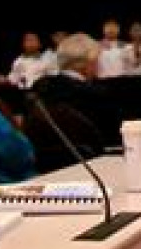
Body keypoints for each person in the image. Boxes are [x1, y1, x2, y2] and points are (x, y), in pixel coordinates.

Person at [28, 33, 113, 173]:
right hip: (94, 169)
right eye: (97, 61)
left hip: (44, 171)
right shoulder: (96, 95)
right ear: (87, 64)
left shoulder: (38, 89)